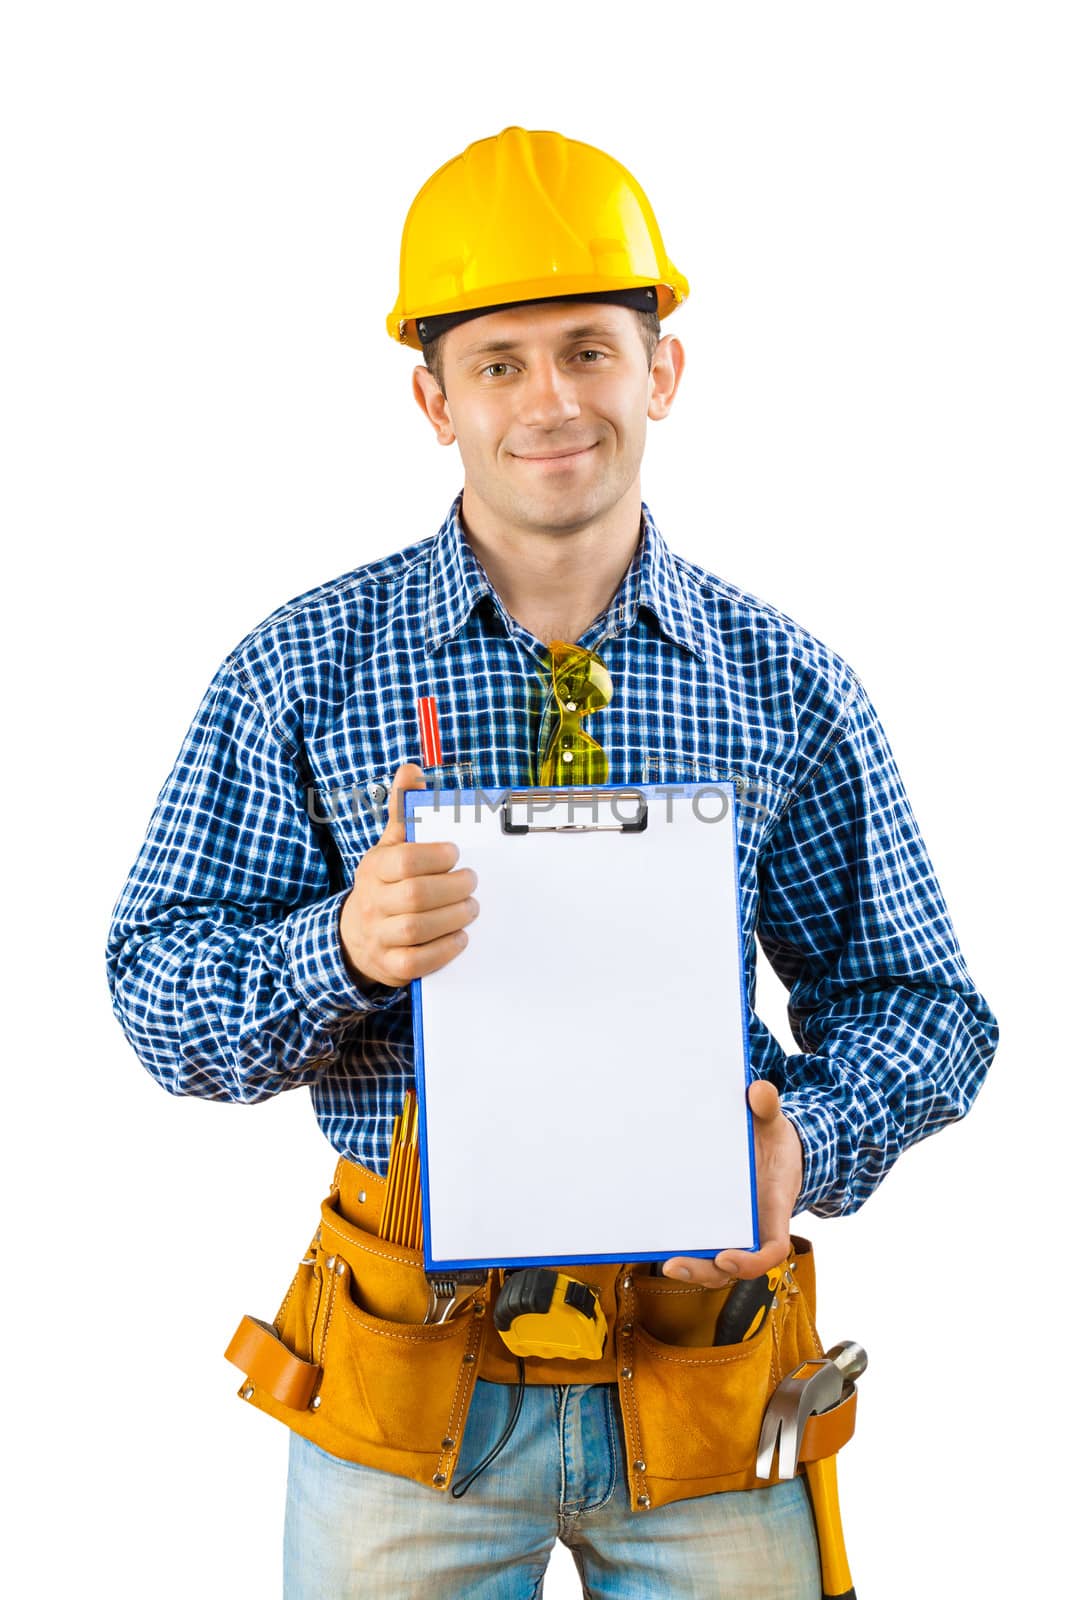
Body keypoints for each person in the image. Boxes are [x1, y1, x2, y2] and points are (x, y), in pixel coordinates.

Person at [106, 126, 997, 1599]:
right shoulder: (303, 672)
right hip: (405, 1395)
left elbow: (923, 1006)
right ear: (431, 399)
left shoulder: (790, 688)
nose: (551, 399)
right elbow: (158, 997)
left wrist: (801, 1154)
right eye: (499, 362)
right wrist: (341, 946)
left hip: (704, 1381)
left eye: (590, 347)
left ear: (664, 372)